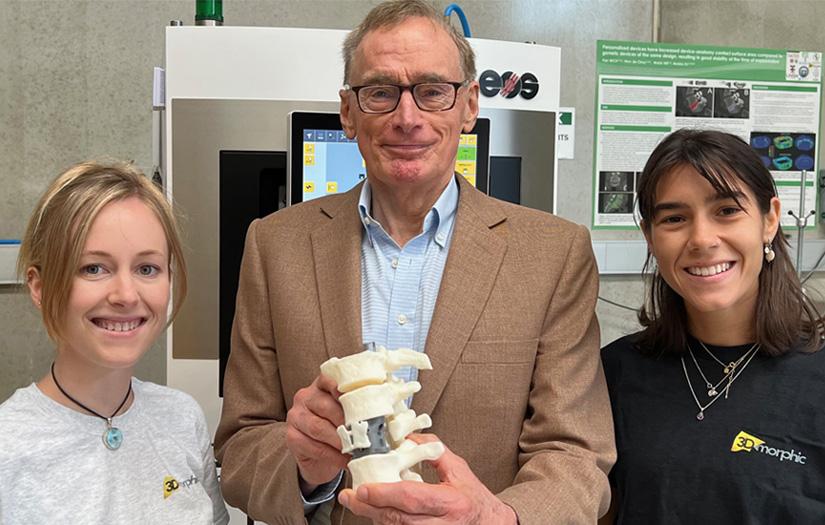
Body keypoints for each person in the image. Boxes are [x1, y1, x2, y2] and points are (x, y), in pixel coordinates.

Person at [215, 1, 615, 523]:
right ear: (347, 113)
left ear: (469, 105)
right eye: (380, 92)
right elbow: (241, 443)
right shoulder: (276, 246)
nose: (408, 118)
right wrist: (306, 470)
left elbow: (577, 454)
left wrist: (496, 518)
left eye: (432, 92)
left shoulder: (552, 255)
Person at [601, 129, 825, 523]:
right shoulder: (614, 372)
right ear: (649, 238)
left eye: (726, 210)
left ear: (770, 219)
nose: (702, 239)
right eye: (674, 218)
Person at [0, 161, 229, 524]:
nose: (126, 295)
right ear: (39, 287)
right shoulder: (8, 446)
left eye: (146, 269)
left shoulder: (182, 419)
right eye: (93, 268)